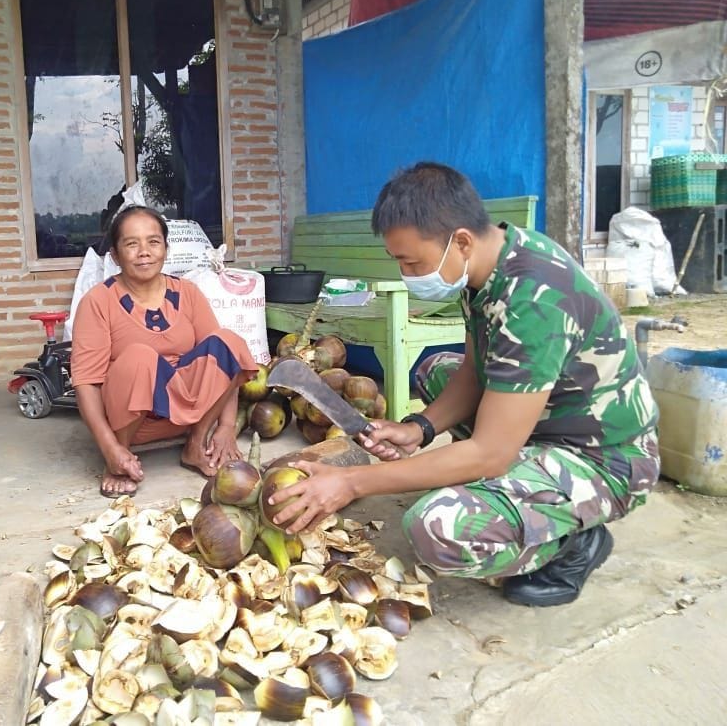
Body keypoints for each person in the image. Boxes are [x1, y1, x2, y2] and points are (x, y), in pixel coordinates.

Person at [269, 162, 660, 607]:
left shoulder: (534, 298)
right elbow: (475, 371)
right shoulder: (487, 268)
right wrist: (420, 429)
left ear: (461, 241)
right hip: (546, 420)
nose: (407, 275)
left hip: (604, 459)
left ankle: (572, 545)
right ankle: (521, 482)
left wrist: (354, 482)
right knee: (435, 368)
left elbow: (491, 454)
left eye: (412, 262)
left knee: (436, 528)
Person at [71, 206, 257, 498]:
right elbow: (85, 382)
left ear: (166, 249)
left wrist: (226, 427)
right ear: (116, 255)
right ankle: (121, 459)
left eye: (153, 242)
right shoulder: (97, 302)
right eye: (132, 244)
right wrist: (110, 449)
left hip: (188, 416)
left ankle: (195, 446)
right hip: (133, 421)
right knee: (140, 357)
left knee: (229, 340)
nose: (144, 252)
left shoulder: (188, 293)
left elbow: (225, 361)